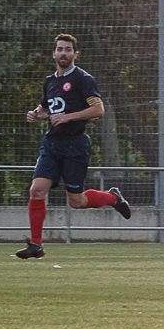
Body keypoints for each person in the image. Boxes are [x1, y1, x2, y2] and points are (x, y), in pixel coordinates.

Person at [15, 34, 132, 259]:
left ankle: (113, 198)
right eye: (59, 49)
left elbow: (98, 110)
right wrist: (36, 114)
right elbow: (47, 108)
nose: (63, 53)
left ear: (75, 54)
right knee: (36, 190)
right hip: (52, 144)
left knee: (76, 202)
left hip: (75, 145)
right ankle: (36, 245)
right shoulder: (50, 81)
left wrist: (67, 117)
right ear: (54, 53)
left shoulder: (83, 79)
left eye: (68, 49)